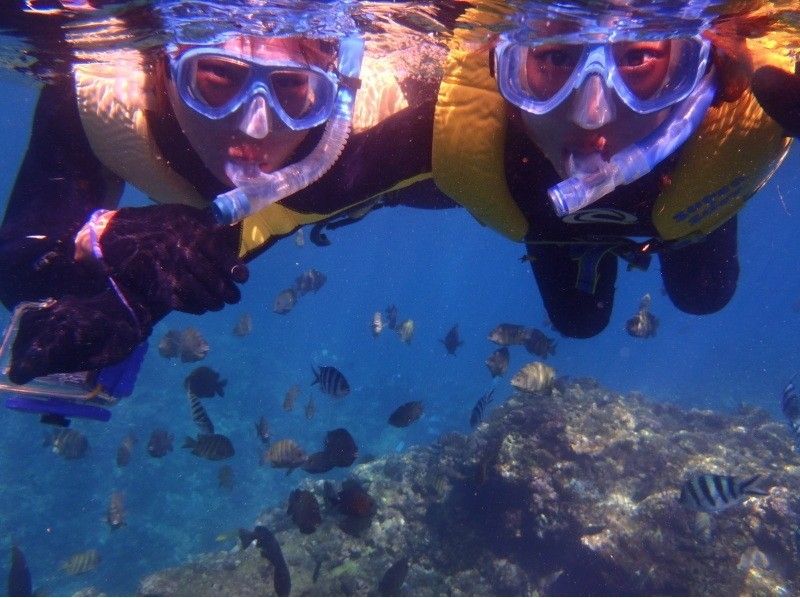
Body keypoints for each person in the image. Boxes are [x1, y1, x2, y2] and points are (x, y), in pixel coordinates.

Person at [283, 2, 798, 339]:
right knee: (579, 323)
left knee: (705, 297)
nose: (590, 113)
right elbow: (303, 189)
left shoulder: (763, 102)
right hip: (554, 231)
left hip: (690, 208)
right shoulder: (462, 138)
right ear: (498, 69)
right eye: (553, 59)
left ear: (708, 68)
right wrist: (204, 222)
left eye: (639, 60)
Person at [0, 3, 429, 385]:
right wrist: (104, 238)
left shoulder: (382, 115)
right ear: (163, 69)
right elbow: (19, 264)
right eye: (220, 77)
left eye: (292, 88)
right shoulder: (101, 101)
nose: (255, 126)